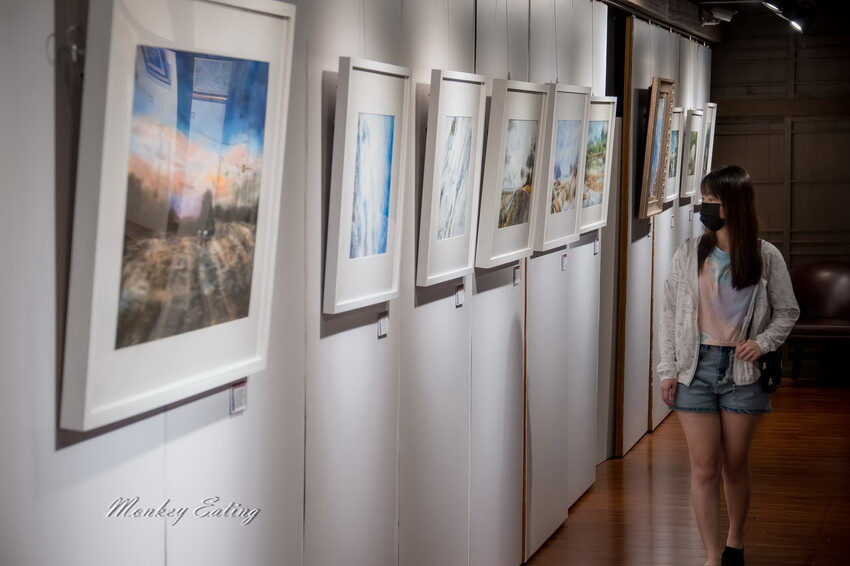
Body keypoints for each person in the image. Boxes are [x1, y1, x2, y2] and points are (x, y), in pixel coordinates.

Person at [657, 165, 800, 566]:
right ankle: (710, 556)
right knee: (703, 467)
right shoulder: (689, 253)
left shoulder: (766, 256)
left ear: (733, 205)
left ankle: (734, 543)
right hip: (695, 368)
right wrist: (667, 369)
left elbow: (788, 311)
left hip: (742, 371)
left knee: (734, 465)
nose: (705, 208)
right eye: (704, 200)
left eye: (713, 201)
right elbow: (670, 313)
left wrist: (762, 342)